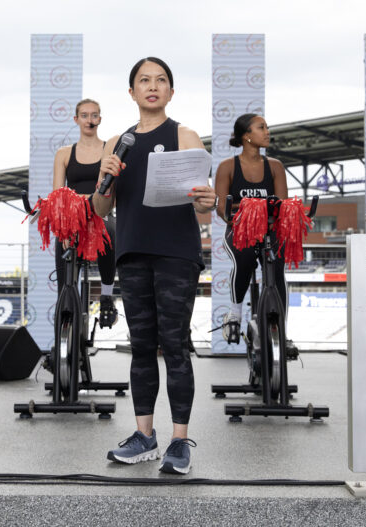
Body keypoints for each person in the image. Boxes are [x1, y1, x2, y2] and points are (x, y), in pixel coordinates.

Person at [92, 57, 216, 475]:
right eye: (144, 80)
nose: (152, 86)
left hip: (177, 252)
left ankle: (179, 442)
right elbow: (101, 208)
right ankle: (144, 437)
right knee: (142, 345)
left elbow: (202, 207)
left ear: (171, 92)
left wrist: (207, 200)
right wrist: (104, 176)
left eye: (161, 80)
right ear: (131, 92)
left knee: (175, 345)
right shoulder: (117, 142)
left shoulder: (185, 135)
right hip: (132, 251)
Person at [214, 113, 289, 344]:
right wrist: (249, 212)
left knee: (277, 267)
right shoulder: (227, 166)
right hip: (240, 229)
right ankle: (234, 314)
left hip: (270, 228)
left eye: (267, 127)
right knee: (244, 258)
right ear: (246, 135)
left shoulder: (275, 166)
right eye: (261, 127)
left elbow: (282, 204)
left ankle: (282, 330)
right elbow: (221, 208)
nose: (267, 132)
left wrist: (250, 207)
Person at [52, 98, 118, 328]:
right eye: (85, 115)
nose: (90, 120)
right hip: (74, 217)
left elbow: (113, 192)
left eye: (94, 115)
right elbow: (58, 195)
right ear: (76, 119)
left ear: (100, 119)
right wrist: (65, 226)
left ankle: (107, 295)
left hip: (102, 213)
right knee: (62, 241)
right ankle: (65, 304)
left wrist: (92, 201)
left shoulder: (110, 150)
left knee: (108, 230)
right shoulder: (64, 153)